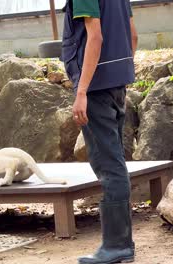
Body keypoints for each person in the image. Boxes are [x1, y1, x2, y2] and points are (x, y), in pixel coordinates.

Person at [61, 1, 138, 263]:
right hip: (116, 84)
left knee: (108, 164)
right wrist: (120, 76)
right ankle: (122, 242)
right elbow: (133, 35)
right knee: (115, 161)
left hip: (96, 89)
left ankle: (117, 246)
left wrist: (81, 91)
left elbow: (95, 36)